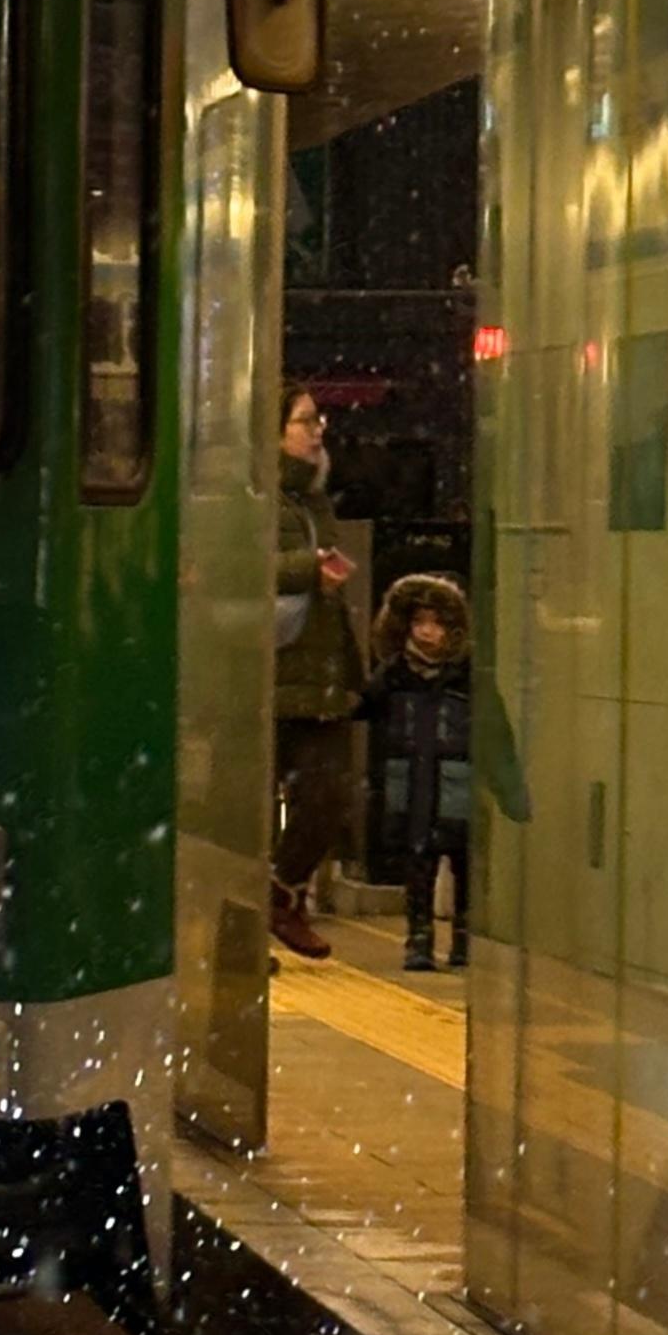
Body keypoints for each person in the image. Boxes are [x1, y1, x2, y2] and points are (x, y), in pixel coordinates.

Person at [363, 574, 528, 972]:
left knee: (464, 862)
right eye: (419, 622)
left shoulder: (469, 679)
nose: (426, 632)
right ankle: (418, 938)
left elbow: (495, 737)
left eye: (436, 623)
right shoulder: (392, 677)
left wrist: (512, 792)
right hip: (412, 784)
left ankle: (463, 939)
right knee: (416, 863)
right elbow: (366, 719)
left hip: (457, 784)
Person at [271, 386, 363, 959]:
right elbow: (234, 560)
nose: (318, 430)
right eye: (305, 420)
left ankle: (283, 893)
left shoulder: (314, 500)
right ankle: (266, 907)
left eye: (318, 420)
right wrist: (310, 568)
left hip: (318, 671)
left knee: (331, 793)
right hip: (268, 669)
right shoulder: (257, 495)